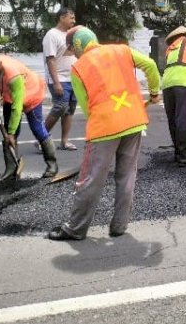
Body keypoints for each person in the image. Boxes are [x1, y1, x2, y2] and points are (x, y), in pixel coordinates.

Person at [49, 26, 160, 241]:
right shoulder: (122, 50)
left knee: (91, 179)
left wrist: (104, 118)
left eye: (72, 50)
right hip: (134, 122)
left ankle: (75, 229)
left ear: (77, 45)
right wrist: (155, 92)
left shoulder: (79, 68)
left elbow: (86, 106)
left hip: (104, 128)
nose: (73, 54)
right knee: (127, 176)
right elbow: (151, 65)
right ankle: (119, 226)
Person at [0, 50, 58, 180]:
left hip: (31, 95)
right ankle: (10, 169)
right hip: (10, 96)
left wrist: (11, 133)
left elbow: (17, 106)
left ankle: (52, 166)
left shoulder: (13, 75)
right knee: (9, 134)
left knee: (37, 129)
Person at [162, 25, 186, 166]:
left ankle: (177, 154)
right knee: (184, 118)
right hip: (182, 81)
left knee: (172, 118)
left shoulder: (170, 47)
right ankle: (184, 157)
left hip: (166, 82)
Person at [42, 7, 78, 151]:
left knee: (69, 110)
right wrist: (56, 82)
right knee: (60, 107)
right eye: (71, 18)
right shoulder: (52, 34)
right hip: (59, 79)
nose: (74, 21)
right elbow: (50, 60)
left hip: (73, 78)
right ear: (62, 18)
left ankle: (64, 142)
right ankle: (41, 138)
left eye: (74, 18)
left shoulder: (72, 35)